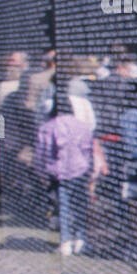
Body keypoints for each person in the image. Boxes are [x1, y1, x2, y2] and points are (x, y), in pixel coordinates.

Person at [34, 84, 97, 256]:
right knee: (79, 205)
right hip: (80, 169)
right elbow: (87, 149)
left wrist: (40, 172)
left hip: (57, 172)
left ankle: (65, 242)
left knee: (62, 206)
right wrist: (90, 170)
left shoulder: (47, 127)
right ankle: (80, 239)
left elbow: (42, 153)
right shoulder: (82, 126)